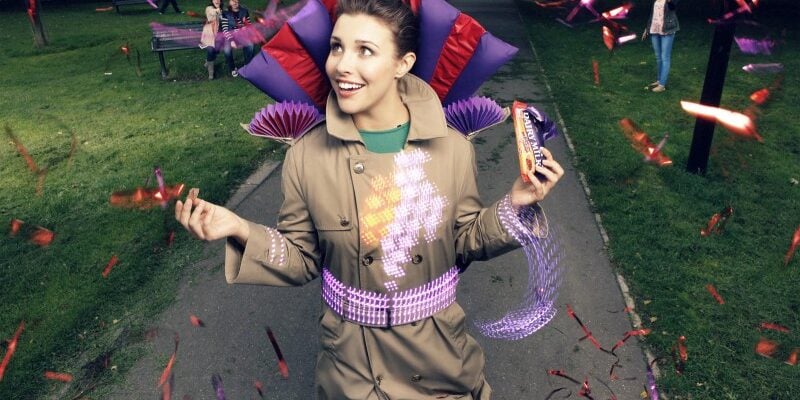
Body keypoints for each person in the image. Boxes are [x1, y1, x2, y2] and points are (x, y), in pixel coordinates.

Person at [175, 0, 564, 398]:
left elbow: (463, 241)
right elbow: (302, 258)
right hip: (352, 370)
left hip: (439, 364)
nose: (342, 65)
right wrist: (239, 228)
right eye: (337, 47)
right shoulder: (307, 155)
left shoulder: (451, 147)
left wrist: (516, 204)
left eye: (365, 50)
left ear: (402, 63)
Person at [644, 0, 679, 92]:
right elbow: (653, 14)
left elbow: (673, 7)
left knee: (665, 57)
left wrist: (669, 1)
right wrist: (647, 28)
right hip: (654, 29)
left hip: (667, 30)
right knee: (658, 57)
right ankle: (659, 80)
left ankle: (662, 85)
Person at [220, 0, 256, 77]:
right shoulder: (225, 13)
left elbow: (249, 24)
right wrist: (231, 40)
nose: (235, 2)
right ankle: (233, 68)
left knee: (250, 45)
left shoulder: (244, 11)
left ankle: (247, 65)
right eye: (232, 1)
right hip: (229, 35)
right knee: (227, 50)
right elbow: (225, 29)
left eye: (236, 0)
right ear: (229, 2)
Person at [200, 0, 223, 80]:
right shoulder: (209, 8)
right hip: (209, 33)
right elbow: (213, 12)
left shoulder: (222, 9)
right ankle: (211, 72)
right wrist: (218, 9)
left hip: (219, 35)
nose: (217, 0)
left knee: (216, 50)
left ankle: (208, 61)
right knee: (211, 50)